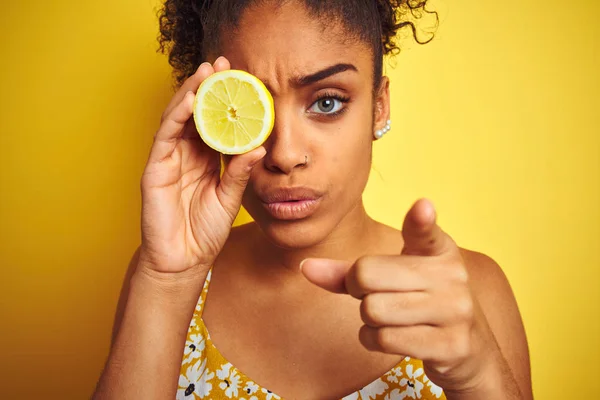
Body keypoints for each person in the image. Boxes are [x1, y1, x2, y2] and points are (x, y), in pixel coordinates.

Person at [93, 0, 532, 399]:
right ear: (211, 113)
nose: (284, 155)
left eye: (326, 103)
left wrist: (478, 378)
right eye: (252, 104)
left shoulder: (469, 293)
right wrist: (167, 283)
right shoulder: (165, 279)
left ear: (379, 107)